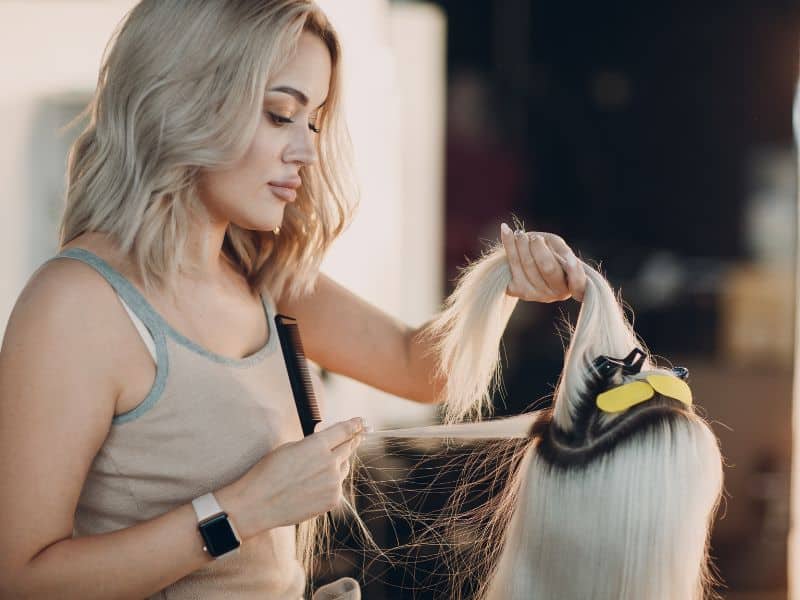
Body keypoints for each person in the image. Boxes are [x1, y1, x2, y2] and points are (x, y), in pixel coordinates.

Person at [0, 1, 584, 599]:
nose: (306, 151)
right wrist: (241, 510)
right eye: (281, 114)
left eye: (314, 120)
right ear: (183, 101)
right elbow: (21, 580)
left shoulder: (263, 277)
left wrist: (502, 283)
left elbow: (419, 368)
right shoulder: (78, 305)